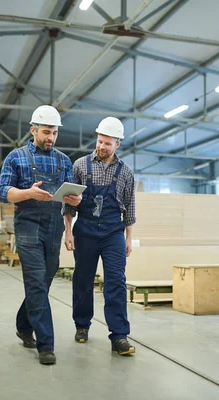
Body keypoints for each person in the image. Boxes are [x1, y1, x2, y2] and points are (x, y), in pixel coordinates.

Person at [0, 105, 81, 365]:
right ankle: (46, 344)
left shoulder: (63, 161)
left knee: (44, 279)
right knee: (35, 280)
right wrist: (28, 193)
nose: (51, 138)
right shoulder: (16, 157)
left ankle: (23, 324)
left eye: (54, 133)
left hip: (54, 225)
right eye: (46, 132)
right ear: (33, 130)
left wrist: (75, 201)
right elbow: (4, 192)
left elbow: (71, 199)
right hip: (28, 223)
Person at [63, 116, 136, 355]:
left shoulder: (126, 172)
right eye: (100, 141)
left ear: (118, 145)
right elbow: (69, 203)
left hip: (113, 231)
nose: (102, 146)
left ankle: (119, 336)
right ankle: (82, 325)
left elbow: (130, 206)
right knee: (83, 279)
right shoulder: (80, 166)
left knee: (116, 280)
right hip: (85, 231)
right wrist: (68, 231)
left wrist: (128, 237)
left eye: (107, 143)